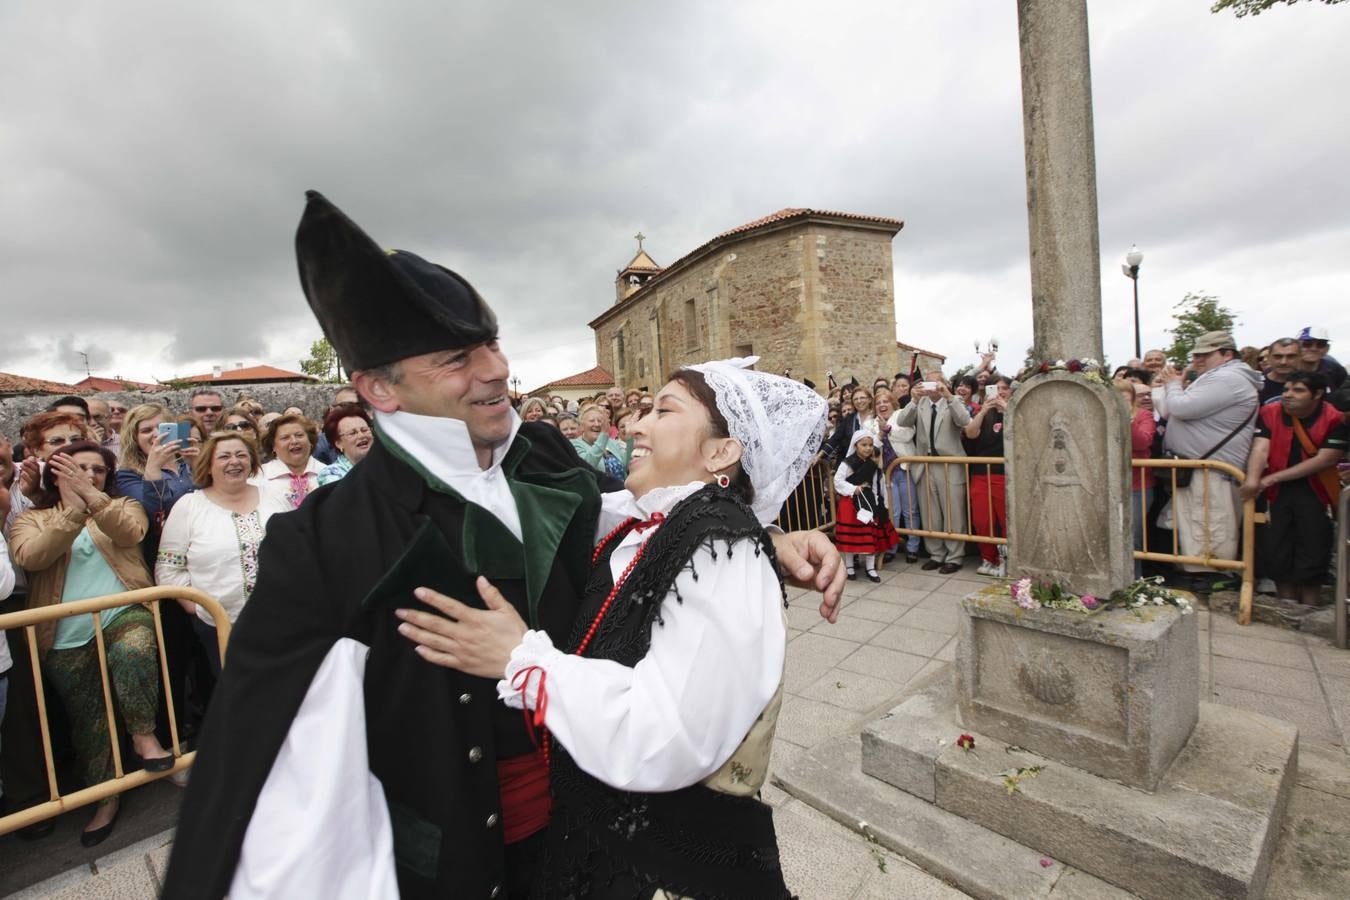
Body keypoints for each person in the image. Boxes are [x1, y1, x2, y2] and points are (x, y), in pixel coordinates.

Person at [162, 191, 841, 900]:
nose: (495, 369)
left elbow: (636, 523)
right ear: (376, 388)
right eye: (457, 357)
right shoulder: (326, 545)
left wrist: (763, 536)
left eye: (492, 342)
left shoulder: (542, 454)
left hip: (593, 840)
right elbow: (287, 803)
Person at [399, 358, 824, 898]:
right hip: (603, 841)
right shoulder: (658, 519)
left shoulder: (721, 547)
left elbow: (667, 734)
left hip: (664, 859)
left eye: (664, 411)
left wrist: (521, 659)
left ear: (721, 451)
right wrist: (774, 532)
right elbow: (589, 509)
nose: (635, 425)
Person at [10, 441, 174, 846]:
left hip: (123, 612)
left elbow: (131, 531)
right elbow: (32, 557)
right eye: (77, 467)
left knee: (134, 650)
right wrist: (72, 511)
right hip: (63, 635)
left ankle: (143, 734)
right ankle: (106, 796)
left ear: (108, 476)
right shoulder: (30, 519)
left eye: (97, 469)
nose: (87, 474)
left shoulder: (120, 507)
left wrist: (94, 500)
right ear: (54, 474)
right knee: (89, 721)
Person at [156, 432, 288, 674]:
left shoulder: (275, 496)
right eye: (224, 456)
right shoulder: (189, 506)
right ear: (208, 465)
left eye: (241, 455)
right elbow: (168, 567)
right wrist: (197, 607)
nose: (234, 462)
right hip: (220, 625)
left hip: (282, 619)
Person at [1157, 330, 1260, 587]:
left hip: (1213, 471)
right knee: (1197, 527)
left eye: (1205, 354)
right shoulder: (1218, 376)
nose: (1198, 360)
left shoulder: (1229, 378)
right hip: (1200, 469)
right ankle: (1200, 576)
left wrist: (1172, 384)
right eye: (1196, 354)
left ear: (1227, 354)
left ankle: (1213, 579)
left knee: (1211, 528)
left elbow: (1180, 407)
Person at [1241, 372, 1346, 606]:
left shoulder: (1334, 418)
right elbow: (1260, 448)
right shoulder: (1270, 412)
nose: (1288, 395)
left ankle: (1310, 605)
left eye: (1298, 390)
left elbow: (1325, 459)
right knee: (1277, 548)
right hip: (1277, 494)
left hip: (1317, 492)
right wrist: (1253, 479)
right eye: (1286, 389)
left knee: (1313, 548)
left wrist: (1269, 479)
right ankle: (1285, 604)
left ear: (1317, 394)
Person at [896, 371, 971, 574]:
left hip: (950, 464)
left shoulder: (953, 401)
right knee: (931, 514)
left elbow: (965, 421)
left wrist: (948, 396)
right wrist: (913, 399)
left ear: (945, 383)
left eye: (936, 381)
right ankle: (936, 554)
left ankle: (955, 557)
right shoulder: (920, 403)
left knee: (953, 513)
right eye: (928, 381)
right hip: (926, 463)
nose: (932, 386)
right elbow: (902, 421)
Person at [833, 432, 899, 582]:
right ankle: (849, 567)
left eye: (870, 445)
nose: (868, 448)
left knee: (870, 534)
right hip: (849, 504)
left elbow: (876, 485)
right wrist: (853, 489)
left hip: (868, 501)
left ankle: (870, 568)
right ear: (855, 445)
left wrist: (877, 502)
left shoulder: (872, 465)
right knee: (850, 535)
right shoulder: (846, 463)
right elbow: (837, 481)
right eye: (864, 445)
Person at [963, 376, 1010, 577]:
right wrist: (983, 411)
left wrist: (1006, 408)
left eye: (1004, 388)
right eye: (995, 388)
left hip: (1004, 474)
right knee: (982, 519)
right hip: (981, 473)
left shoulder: (1014, 412)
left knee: (1005, 519)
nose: (999, 392)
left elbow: (1023, 429)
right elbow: (971, 433)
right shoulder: (982, 413)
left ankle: (1006, 559)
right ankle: (987, 557)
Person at [1118, 380, 1156, 577]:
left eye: (1125, 396)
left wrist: (1127, 419)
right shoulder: (1105, 416)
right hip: (1111, 485)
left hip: (1138, 486)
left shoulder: (1144, 416)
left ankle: (1134, 579)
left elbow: (1142, 442)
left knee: (1133, 535)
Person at [257, 413, 323, 508]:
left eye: (299, 435)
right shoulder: (260, 477)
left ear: (310, 441)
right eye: (285, 438)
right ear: (273, 446)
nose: (294, 441)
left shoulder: (328, 473)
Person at [317, 403, 375, 485]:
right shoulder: (330, 474)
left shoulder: (385, 464)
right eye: (352, 433)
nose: (361, 435)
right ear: (339, 443)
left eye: (364, 430)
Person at [572, 402, 631, 479]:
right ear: (582, 426)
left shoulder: (612, 443)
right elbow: (588, 466)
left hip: (622, 489)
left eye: (600, 421)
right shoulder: (575, 444)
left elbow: (628, 465)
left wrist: (630, 438)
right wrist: (604, 435)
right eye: (592, 421)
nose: (597, 424)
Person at [1298, 325, 1346, 391]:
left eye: (1320, 345)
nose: (1314, 349)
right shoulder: (1286, 368)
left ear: (1327, 348)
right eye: (1307, 344)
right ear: (1296, 347)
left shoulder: (1336, 370)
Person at [1259, 337, 1303, 404]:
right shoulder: (1257, 384)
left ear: (1300, 357)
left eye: (1291, 356)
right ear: (1269, 358)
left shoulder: (1311, 384)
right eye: (1278, 356)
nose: (1283, 362)